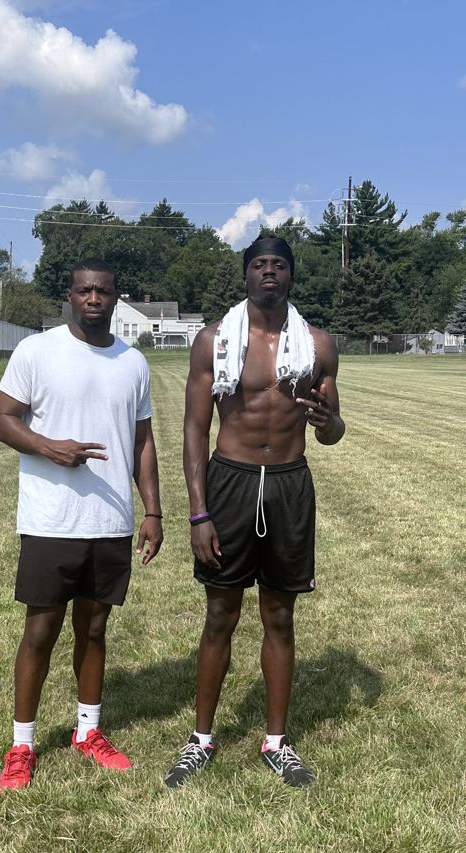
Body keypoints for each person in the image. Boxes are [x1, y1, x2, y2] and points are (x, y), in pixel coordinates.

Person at [164, 234, 345, 789]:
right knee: (220, 614)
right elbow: (195, 429)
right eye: (260, 264)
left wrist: (329, 423)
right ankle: (201, 740)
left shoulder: (318, 345)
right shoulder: (214, 340)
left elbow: (333, 430)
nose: (269, 272)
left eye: (279, 265)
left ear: (291, 275)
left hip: (289, 483)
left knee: (280, 616)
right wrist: (199, 514)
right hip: (232, 481)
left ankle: (276, 742)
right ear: (245, 275)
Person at [0, 258, 163, 792]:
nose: (94, 298)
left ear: (115, 297)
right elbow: (1, 420)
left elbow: (143, 442)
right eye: (85, 290)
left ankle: (88, 732)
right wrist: (50, 448)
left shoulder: (132, 362)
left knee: (94, 629)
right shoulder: (36, 351)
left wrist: (152, 510)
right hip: (51, 519)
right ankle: (22, 745)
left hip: (109, 520)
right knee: (40, 631)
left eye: (103, 291)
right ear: (69, 295)